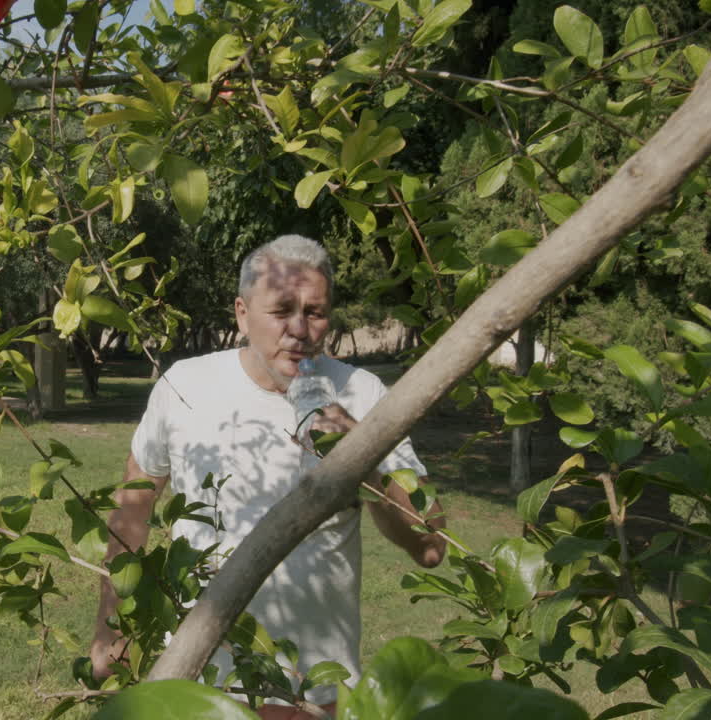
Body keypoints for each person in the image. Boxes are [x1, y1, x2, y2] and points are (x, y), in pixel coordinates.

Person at [89, 235, 447, 719]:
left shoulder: (363, 395)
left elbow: (431, 544)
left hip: (315, 695)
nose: (299, 329)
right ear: (242, 314)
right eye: (281, 311)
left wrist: (362, 453)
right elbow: (134, 504)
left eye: (315, 312)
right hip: (198, 689)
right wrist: (111, 627)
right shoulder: (184, 386)